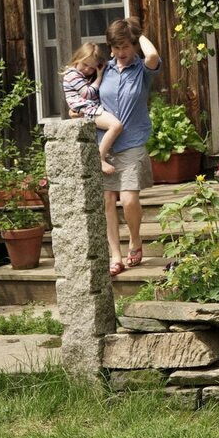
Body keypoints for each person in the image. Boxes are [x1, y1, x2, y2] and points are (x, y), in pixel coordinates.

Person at [96, 17, 160, 277]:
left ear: (133, 45)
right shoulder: (104, 69)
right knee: (107, 201)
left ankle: (135, 239)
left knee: (129, 198)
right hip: (104, 144)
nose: (120, 53)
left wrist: (138, 33)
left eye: (125, 47)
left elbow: (153, 54)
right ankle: (115, 255)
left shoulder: (143, 70)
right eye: (116, 47)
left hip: (133, 141)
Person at [61, 43, 125, 176]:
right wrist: (100, 77)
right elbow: (87, 93)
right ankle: (100, 158)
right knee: (116, 125)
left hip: (88, 109)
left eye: (92, 68)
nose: (87, 70)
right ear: (77, 58)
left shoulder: (82, 74)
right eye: (85, 64)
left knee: (114, 126)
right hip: (87, 110)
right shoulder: (72, 74)